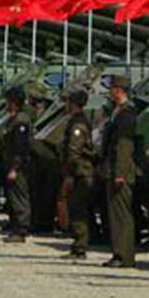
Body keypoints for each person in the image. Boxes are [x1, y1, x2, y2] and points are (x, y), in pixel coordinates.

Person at [100, 74, 137, 268]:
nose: (109, 92)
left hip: (120, 170)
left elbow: (124, 146)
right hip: (113, 168)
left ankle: (124, 255)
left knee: (121, 214)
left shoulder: (126, 114)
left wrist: (120, 172)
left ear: (119, 90)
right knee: (115, 214)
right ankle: (118, 252)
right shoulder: (117, 112)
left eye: (112, 88)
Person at [58, 84, 95, 259]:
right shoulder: (78, 121)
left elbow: (74, 151)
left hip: (79, 172)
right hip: (80, 171)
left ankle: (80, 247)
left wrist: (69, 175)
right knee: (77, 208)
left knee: (78, 209)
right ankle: (79, 243)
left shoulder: (78, 124)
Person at [1, 85, 32, 242]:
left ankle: (21, 229)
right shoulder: (14, 119)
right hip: (12, 164)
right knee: (13, 196)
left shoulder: (21, 121)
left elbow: (21, 147)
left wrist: (15, 168)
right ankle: (15, 226)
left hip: (18, 166)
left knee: (19, 197)